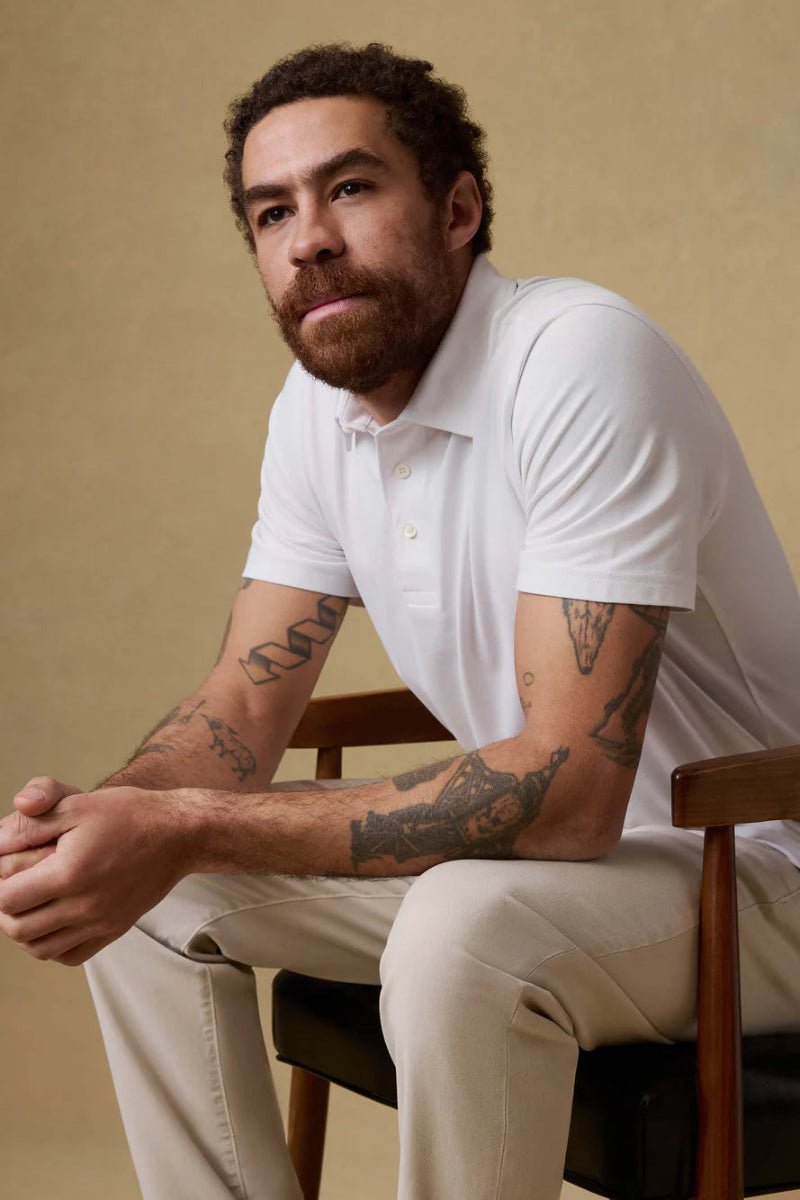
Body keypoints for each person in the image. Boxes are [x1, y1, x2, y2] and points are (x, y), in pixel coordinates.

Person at [1, 40, 799, 1200]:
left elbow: (570, 798)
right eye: (271, 213)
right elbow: (241, 697)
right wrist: (113, 820)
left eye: (351, 188)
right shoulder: (316, 416)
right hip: (561, 877)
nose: (308, 236)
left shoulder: (577, 360)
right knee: (148, 888)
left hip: (755, 870)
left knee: (462, 926)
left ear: (458, 208)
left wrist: (186, 818)